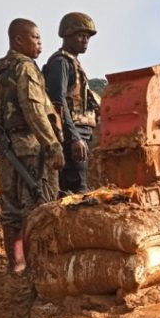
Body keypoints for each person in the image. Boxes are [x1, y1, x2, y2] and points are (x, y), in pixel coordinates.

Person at [0, 18, 64, 273]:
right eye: (36, 38)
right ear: (19, 39)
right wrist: (52, 144)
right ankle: (40, 268)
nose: (40, 44)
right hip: (31, 148)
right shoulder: (25, 67)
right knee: (40, 208)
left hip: (8, 151)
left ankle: (15, 266)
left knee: (10, 210)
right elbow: (34, 110)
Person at [43, 12, 98, 195]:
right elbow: (58, 102)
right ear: (67, 35)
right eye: (80, 35)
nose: (85, 40)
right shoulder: (61, 62)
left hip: (78, 134)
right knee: (76, 192)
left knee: (75, 189)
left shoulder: (73, 63)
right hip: (70, 135)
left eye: (88, 37)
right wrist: (74, 137)